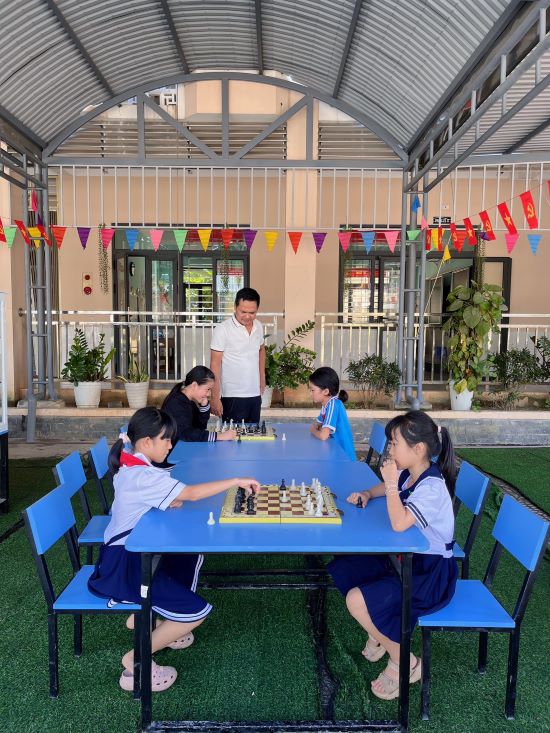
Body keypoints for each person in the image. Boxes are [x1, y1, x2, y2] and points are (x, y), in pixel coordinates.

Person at [87, 406, 260, 693]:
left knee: (188, 555)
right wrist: (235, 480)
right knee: (196, 612)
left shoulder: (134, 463)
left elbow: (174, 497)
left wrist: (172, 496)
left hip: (130, 551)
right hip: (126, 564)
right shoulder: (141, 476)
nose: (170, 445)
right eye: (166, 439)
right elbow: (189, 494)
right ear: (146, 442)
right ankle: (135, 659)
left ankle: (161, 618)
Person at [327, 410, 458, 701]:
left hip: (429, 575)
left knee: (356, 600)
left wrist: (388, 483)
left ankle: (405, 661)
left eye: (395, 443)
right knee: (348, 564)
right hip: (404, 560)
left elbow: (399, 524)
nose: (389, 449)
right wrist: (368, 492)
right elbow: (393, 488)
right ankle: (380, 630)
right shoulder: (412, 473)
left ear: (418, 449)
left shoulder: (432, 487)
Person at [210, 287, 265, 424]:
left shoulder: (258, 326)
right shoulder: (222, 329)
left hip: (254, 394)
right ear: (235, 307)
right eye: (243, 312)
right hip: (232, 396)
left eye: (252, 312)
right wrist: (215, 397)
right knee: (232, 435)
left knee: (254, 433)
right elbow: (214, 365)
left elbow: (261, 349)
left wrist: (262, 377)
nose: (247, 316)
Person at [162, 365, 236, 443]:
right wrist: (218, 436)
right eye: (207, 389)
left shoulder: (189, 402)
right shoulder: (176, 403)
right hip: (174, 449)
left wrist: (204, 406)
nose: (208, 394)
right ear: (194, 385)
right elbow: (186, 434)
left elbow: (200, 427)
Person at [309, 366, 356, 461]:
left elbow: (323, 435)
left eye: (312, 390)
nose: (310, 393)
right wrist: (318, 428)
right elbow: (319, 424)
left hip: (344, 458)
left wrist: (313, 430)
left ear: (326, 391)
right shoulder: (326, 404)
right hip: (334, 452)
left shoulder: (333, 405)